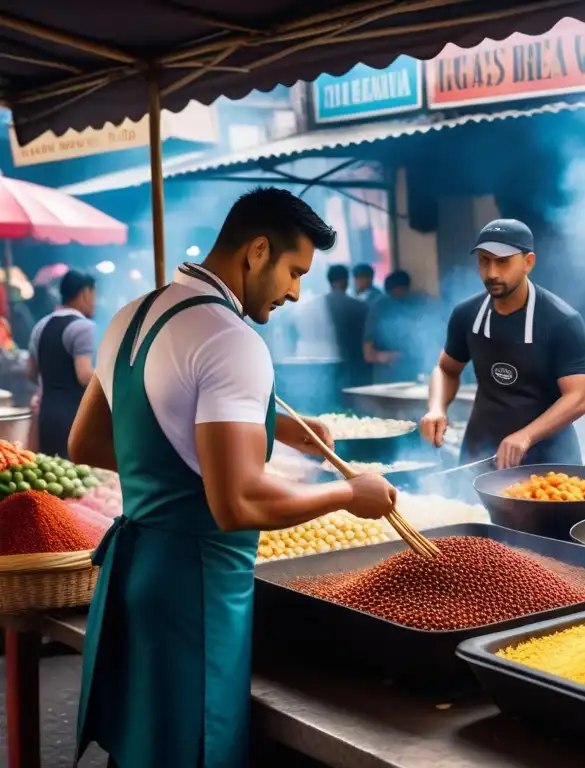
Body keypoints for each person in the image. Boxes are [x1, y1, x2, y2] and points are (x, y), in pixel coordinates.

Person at [69, 188, 397, 768]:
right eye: (294, 271)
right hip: (197, 587)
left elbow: (89, 440)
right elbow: (238, 501)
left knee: (146, 748)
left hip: (138, 572)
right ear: (257, 251)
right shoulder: (231, 339)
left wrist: (246, 437)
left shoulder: (131, 313)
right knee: (197, 748)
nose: (296, 291)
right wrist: (351, 493)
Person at [420, 219, 585, 469]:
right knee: (465, 508)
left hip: (549, 459)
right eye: (484, 261)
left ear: (528, 262)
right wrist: (436, 408)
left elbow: (577, 397)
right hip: (480, 452)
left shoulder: (561, 321)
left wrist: (526, 435)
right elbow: (446, 369)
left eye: (502, 261)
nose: (492, 273)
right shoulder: (467, 314)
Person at [27, 269, 97, 458]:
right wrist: (114, 376)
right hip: (75, 417)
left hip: (46, 415)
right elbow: (84, 376)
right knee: (78, 479)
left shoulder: (40, 326)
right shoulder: (84, 327)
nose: (95, 303)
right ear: (85, 293)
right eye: (94, 295)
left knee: (53, 478)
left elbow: (31, 372)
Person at [363, 270, 425, 384]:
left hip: (412, 375)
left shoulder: (416, 303)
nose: (400, 296)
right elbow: (368, 354)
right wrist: (386, 357)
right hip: (386, 378)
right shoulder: (379, 308)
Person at [325, 264, 370, 367]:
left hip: (328, 362)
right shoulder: (360, 306)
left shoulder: (319, 305)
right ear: (345, 281)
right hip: (354, 363)